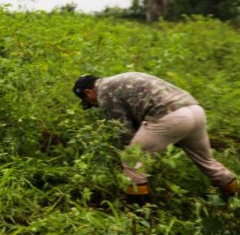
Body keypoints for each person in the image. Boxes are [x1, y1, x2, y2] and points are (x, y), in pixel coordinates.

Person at [73, 72, 237, 202]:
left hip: (170, 116)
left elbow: (123, 132)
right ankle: (235, 198)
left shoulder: (104, 93)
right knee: (207, 162)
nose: (95, 106)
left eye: (90, 102)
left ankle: (138, 213)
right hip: (194, 110)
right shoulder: (117, 80)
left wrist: (125, 160)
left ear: (89, 92)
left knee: (131, 159)